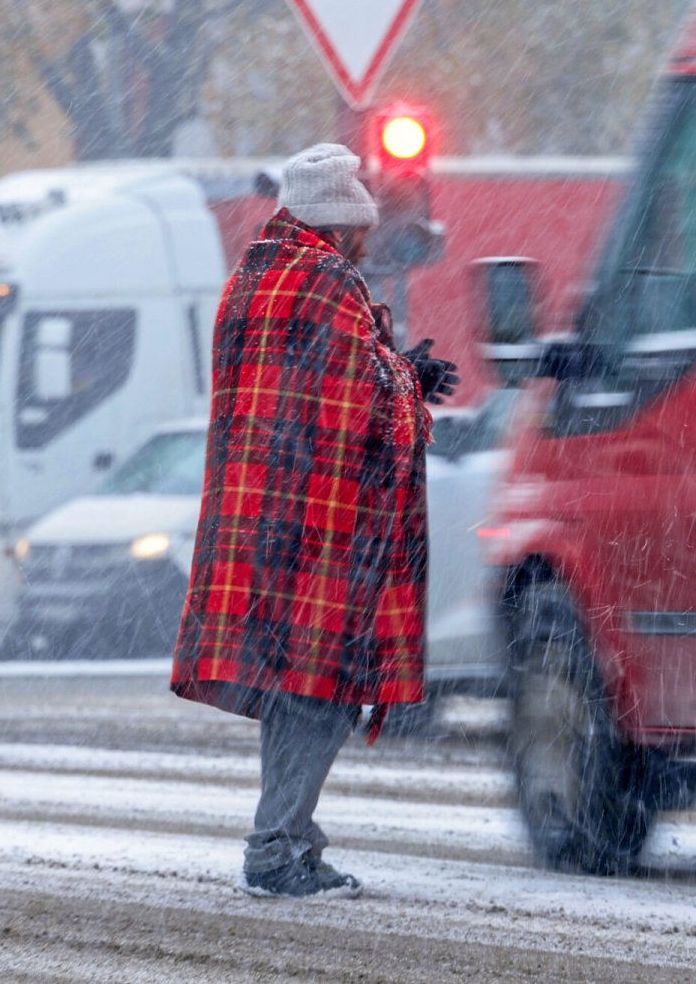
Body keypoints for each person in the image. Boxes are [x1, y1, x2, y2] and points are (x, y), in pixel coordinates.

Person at [171, 142, 459, 899]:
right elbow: (357, 402)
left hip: (254, 512)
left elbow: (306, 385)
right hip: (321, 517)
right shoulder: (326, 280)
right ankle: (276, 849)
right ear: (339, 223)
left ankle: (287, 839)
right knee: (318, 687)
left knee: (291, 683)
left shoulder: (252, 276)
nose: (368, 239)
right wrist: (411, 375)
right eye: (361, 225)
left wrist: (394, 364)